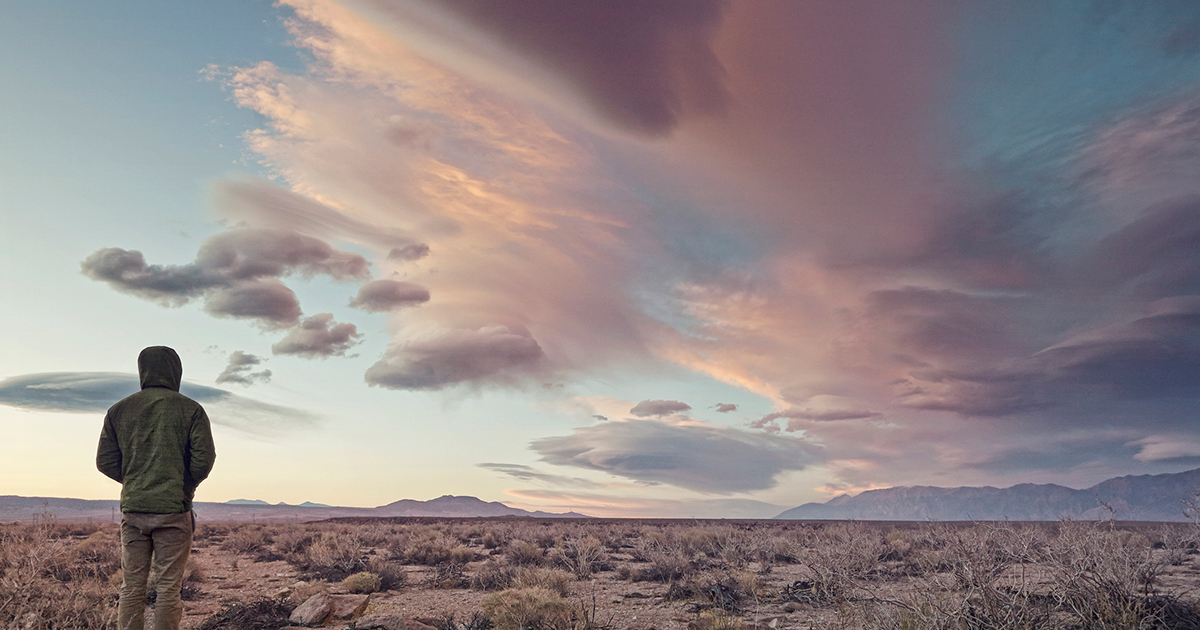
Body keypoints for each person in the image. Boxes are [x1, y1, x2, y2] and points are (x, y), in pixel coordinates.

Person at [97, 346, 216, 630]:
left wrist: (136, 481)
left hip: (135, 510)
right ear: (176, 372)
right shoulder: (191, 410)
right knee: (167, 590)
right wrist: (183, 487)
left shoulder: (118, 410)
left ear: (143, 371)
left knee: (131, 588)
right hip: (174, 512)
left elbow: (105, 461)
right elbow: (204, 459)